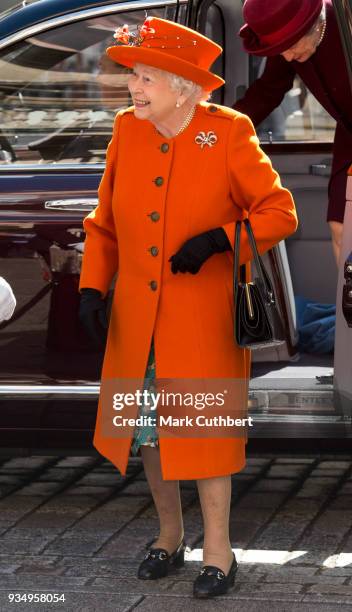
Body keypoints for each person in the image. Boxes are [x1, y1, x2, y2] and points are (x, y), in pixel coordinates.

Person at [78, 16, 297, 599]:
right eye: (134, 77)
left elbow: (279, 212)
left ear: (183, 85)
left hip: (199, 316)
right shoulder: (127, 130)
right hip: (137, 318)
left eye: (147, 78)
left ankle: (219, 552)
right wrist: (92, 288)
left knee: (202, 429)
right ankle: (169, 536)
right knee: (148, 431)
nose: (134, 88)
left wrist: (217, 240)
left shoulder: (227, 130)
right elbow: (103, 224)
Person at [234, 0, 352, 266]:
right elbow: (267, 91)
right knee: (341, 228)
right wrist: (221, 126)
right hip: (348, 135)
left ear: (314, 25)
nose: (285, 57)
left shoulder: (347, 21)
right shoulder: (290, 43)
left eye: (289, 47)